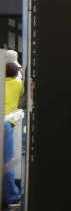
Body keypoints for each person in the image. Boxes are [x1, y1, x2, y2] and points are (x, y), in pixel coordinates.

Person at [3, 56, 23, 208]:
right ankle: (11, 196)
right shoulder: (19, 83)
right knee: (7, 163)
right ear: (16, 73)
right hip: (5, 125)